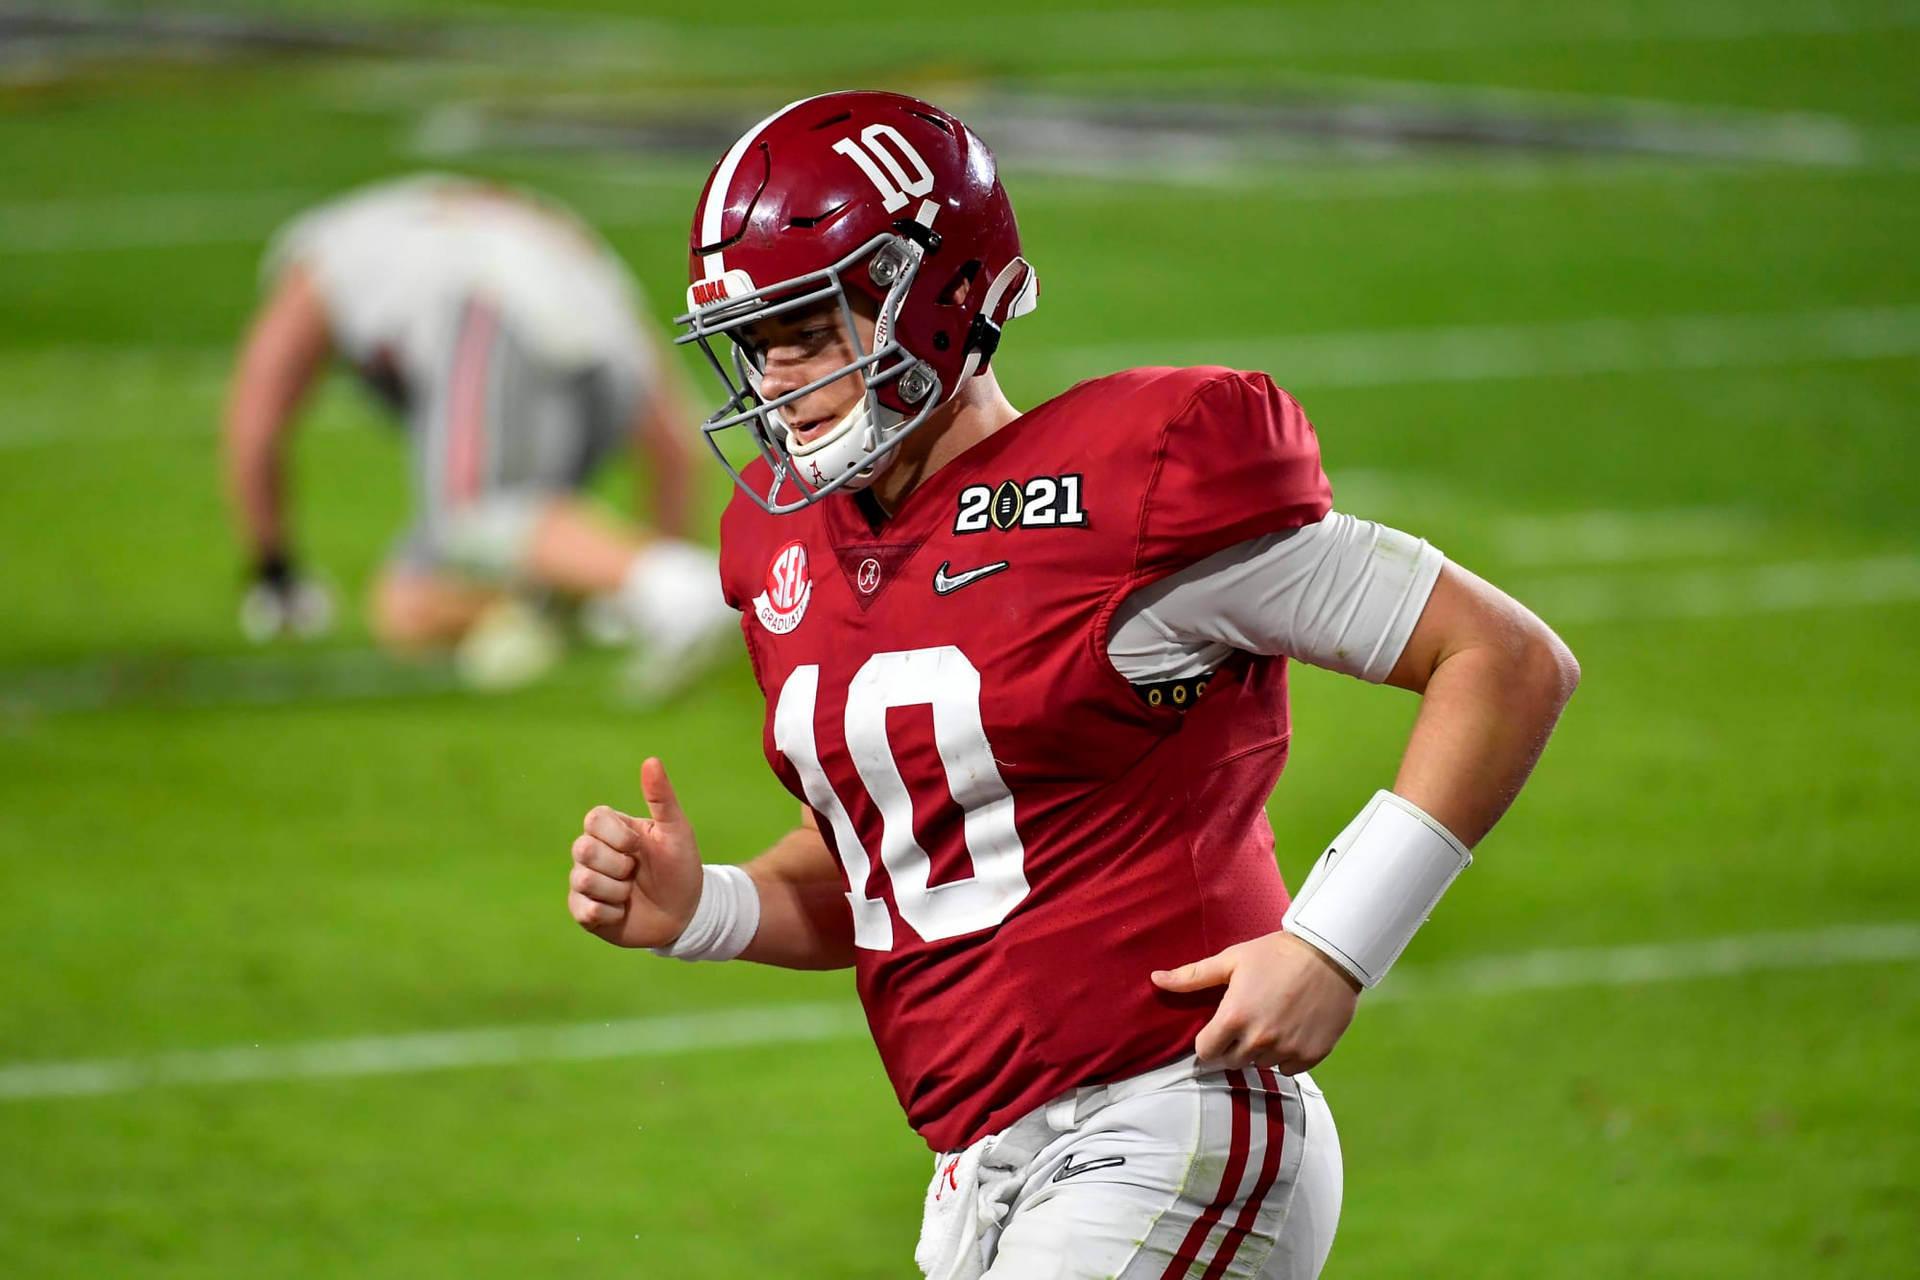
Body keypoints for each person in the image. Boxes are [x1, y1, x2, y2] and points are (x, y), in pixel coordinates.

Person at [566, 92, 1579, 1278]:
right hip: (979, 1169)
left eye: (810, 323)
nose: (779, 376)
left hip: (1168, 1117)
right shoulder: (787, 554)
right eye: (756, 340)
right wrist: (709, 906)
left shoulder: (1134, 485)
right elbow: (906, 867)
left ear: (932, 295)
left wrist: (1337, 941)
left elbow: (1504, 660)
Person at [223, 173, 734, 695]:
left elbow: (256, 415)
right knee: (406, 602)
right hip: (599, 330)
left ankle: (670, 587)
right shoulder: (499, 223)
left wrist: (274, 572)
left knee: (475, 515)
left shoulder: (324, 255)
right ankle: (605, 602)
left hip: (490, 314)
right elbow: (676, 447)